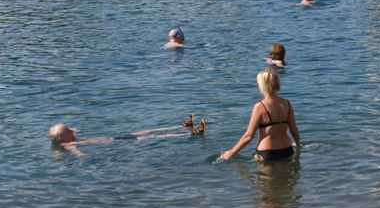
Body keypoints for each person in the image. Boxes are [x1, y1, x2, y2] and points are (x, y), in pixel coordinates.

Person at [218, 69, 301, 162]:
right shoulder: (287, 104)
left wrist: (231, 152)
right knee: (286, 176)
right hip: (287, 150)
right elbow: (294, 131)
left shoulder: (260, 107)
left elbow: (249, 136)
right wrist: (297, 144)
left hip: (268, 153)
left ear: (263, 85)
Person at [49, 115, 204, 156]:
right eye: (69, 132)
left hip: (113, 138)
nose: (73, 132)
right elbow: (76, 152)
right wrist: (83, 155)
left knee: (145, 131)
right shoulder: (69, 145)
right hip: (114, 144)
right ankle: (190, 134)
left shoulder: (70, 139)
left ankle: (181, 126)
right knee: (150, 138)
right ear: (62, 139)